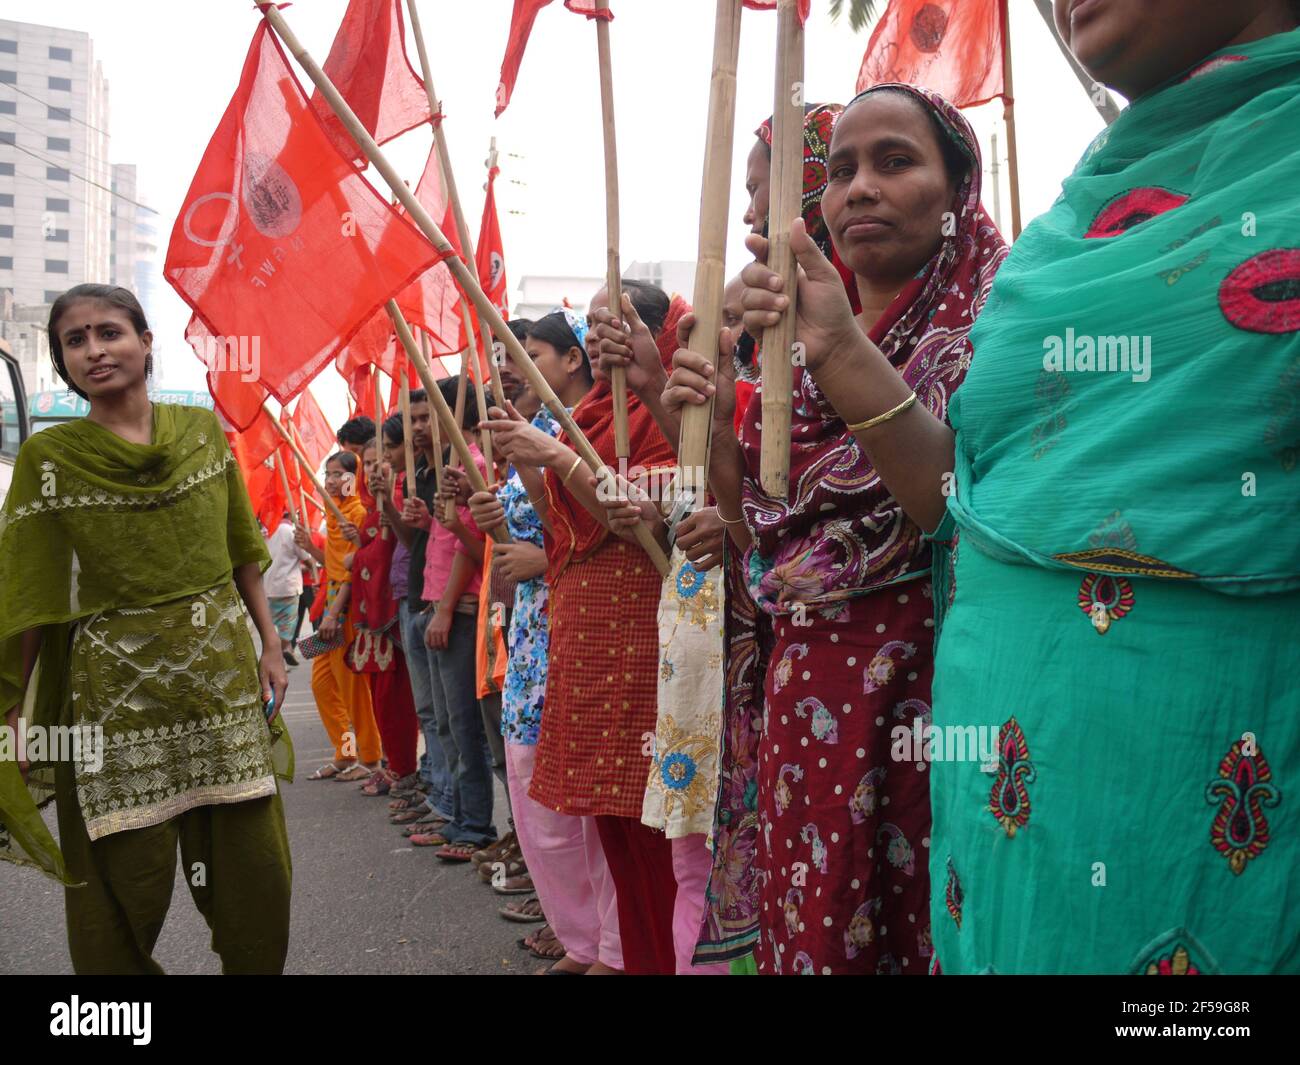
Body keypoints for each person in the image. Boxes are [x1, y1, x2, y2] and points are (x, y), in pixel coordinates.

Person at [665, 91, 1007, 973]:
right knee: (818, 921)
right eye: (843, 170)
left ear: (957, 192)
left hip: (930, 702)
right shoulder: (786, 370)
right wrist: (708, 448)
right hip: (805, 705)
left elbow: (952, 506)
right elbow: (765, 547)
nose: (859, 188)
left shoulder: (997, 334)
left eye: (895, 162)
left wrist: (843, 351)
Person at [0, 283, 292, 974]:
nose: (95, 350)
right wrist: (12, 709)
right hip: (112, 704)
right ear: (64, 362)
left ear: (145, 341)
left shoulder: (200, 434)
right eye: (76, 340)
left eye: (110, 331)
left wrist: (271, 644)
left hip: (219, 688)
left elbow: (241, 545)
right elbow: (30, 592)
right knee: (117, 886)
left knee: (258, 873)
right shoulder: (52, 459)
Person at [484, 281, 691, 974]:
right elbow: (562, 525)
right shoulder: (592, 412)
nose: (602, 336)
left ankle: (661, 958)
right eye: (595, 322)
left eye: (618, 322)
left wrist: (556, 457)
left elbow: (637, 520)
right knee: (608, 820)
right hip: (585, 635)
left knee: (655, 821)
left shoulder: (675, 411)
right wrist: (525, 454)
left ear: (656, 334)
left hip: (647, 638)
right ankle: (624, 952)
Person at [473, 310, 624, 974]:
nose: (513, 363)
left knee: (590, 800)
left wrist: (546, 556)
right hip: (531, 634)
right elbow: (531, 526)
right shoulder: (530, 432)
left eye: (529, 352)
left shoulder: (596, 425)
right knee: (536, 786)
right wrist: (487, 518)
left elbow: (609, 523)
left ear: (571, 360)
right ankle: (579, 938)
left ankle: (615, 947)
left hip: (584, 625)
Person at [410, 377, 496, 861]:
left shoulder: (475, 467)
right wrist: (430, 520)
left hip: (459, 611)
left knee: (465, 729)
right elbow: (448, 538)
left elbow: (475, 549)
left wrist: (444, 609)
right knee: (444, 724)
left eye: (433, 415)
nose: (423, 426)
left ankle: (475, 827)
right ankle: (459, 819)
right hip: (437, 605)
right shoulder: (450, 467)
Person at [298, 451, 381, 782]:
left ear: (353, 478)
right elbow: (334, 565)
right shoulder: (334, 516)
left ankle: (372, 759)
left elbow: (352, 572)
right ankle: (345, 753)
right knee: (321, 684)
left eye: (338, 474)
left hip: (342, 612)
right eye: (328, 474)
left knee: (353, 691)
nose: (330, 480)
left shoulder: (357, 513)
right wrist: (310, 548)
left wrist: (334, 614)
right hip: (328, 606)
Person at [351, 434, 419, 798]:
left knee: (398, 702)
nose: (374, 470)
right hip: (372, 619)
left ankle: (404, 771)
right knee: (381, 699)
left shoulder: (399, 505)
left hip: (392, 616)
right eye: (369, 463)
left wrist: (357, 556)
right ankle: (393, 765)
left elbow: (382, 559)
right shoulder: (371, 511)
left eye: (382, 461)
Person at [264, 510, 308, 667]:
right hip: (289, 586)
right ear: (289, 514)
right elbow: (305, 556)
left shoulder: (265, 531)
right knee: (287, 625)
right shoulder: (290, 531)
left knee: (271, 625)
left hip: (269, 587)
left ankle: (277, 651)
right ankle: (286, 647)